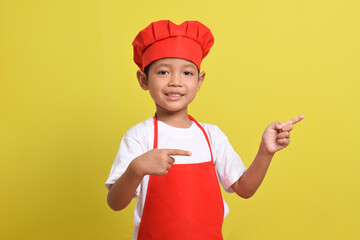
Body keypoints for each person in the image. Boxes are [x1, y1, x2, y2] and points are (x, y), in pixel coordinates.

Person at [105, 20, 305, 240]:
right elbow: (115, 203)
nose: (176, 82)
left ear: (199, 81)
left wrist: (265, 152)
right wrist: (137, 168)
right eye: (163, 72)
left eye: (187, 73)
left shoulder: (212, 136)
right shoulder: (138, 136)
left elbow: (244, 189)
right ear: (144, 80)